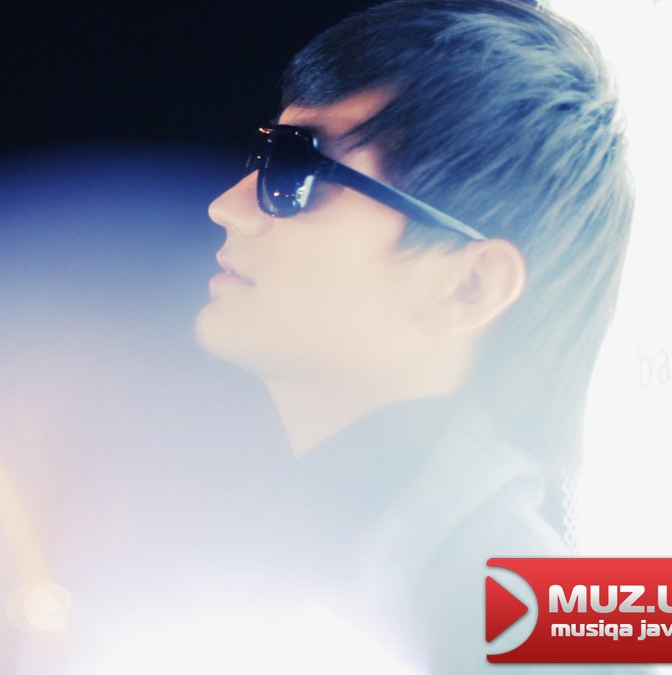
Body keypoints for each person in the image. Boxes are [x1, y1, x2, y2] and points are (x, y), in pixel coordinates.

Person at [195, 0, 638, 671]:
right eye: (263, 155)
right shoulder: (241, 553)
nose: (227, 205)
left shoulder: (555, 635)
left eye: (294, 171)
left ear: (469, 286)